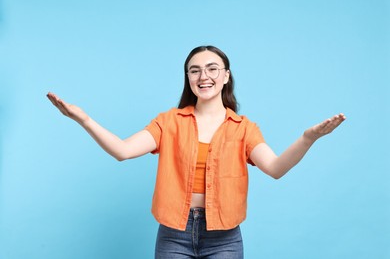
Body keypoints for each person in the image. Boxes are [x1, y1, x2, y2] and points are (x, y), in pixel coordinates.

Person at [47, 45, 346, 258]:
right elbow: (123, 151)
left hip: (225, 238)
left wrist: (309, 138)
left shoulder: (244, 128)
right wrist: (84, 120)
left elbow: (276, 168)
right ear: (189, 78)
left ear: (226, 76)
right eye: (195, 70)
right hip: (173, 234)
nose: (204, 76)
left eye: (212, 68)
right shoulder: (169, 122)